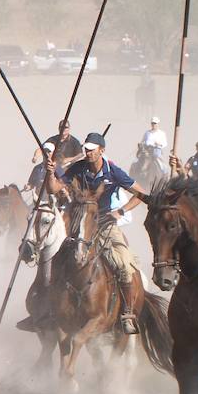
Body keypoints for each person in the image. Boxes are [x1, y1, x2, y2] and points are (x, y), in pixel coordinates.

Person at [49, 131, 146, 333]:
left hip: (105, 223)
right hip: (80, 222)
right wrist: (51, 171)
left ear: (102, 150)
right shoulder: (78, 167)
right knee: (56, 258)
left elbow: (141, 194)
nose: (88, 153)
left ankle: (127, 312)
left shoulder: (114, 171)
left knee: (124, 262)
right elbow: (53, 188)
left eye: (92, 150)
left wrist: (121, 211)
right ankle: (51, 309)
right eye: (86, 149)